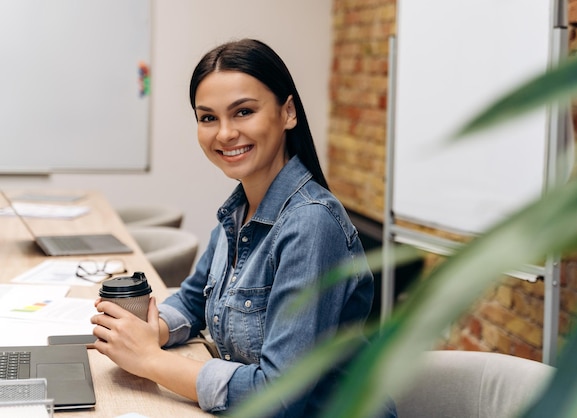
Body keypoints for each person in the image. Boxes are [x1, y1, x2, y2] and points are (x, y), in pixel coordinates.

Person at [91, 38, 395, 417]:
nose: (224, 133)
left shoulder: (311, 224)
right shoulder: (238, 212)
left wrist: (151, 361)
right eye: (208, 117)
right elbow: (192, 300)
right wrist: (148, 331)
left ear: (288, 113)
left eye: (243, 112)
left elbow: (280, 396)